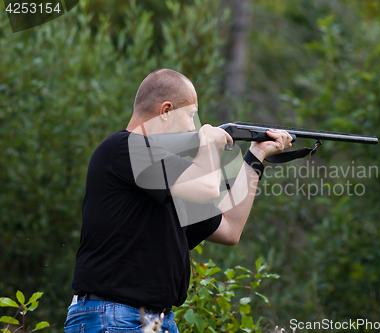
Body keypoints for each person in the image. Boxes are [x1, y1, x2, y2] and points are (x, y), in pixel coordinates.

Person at [64, 69, 293, 333]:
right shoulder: (124, 148)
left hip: (157, 321)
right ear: (166, 111)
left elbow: (230, 229)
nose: (193, 128)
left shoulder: (170, 179)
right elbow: (207, 188)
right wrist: (209, 144)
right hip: (114, 317)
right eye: (191, 116)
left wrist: (256, 156)